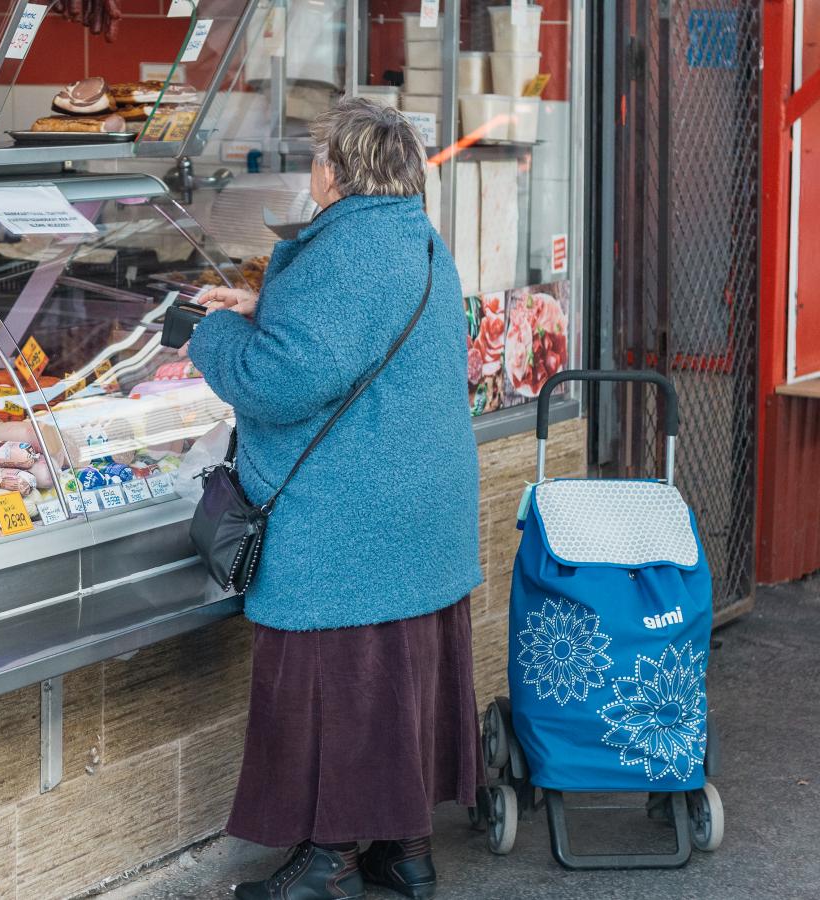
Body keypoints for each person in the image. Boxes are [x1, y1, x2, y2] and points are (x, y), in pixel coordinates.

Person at [185, 97, 482, 900]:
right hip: (418, 510)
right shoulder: (412, 238)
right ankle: (405, 849)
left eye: (317, 157)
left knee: (339, 685)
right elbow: (350, 335)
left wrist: (212, 339)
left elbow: (278, 383)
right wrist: (263, 307)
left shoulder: (343, 254)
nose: (310, 169)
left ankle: (331, 860)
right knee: (402, 680)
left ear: (337, 172)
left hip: (351, 520)